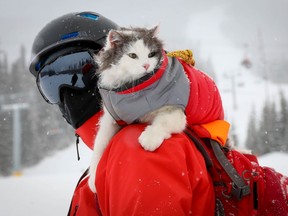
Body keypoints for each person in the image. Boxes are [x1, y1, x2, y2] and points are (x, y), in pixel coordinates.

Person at [29, 11, 229, 215]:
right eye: (50, 82)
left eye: (81, 71)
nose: (67, 92)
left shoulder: (140, 152)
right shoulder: (115, 156)